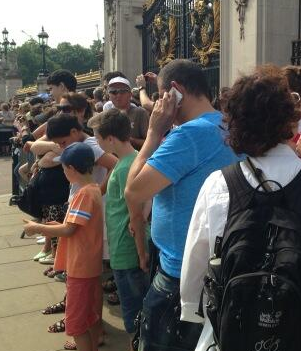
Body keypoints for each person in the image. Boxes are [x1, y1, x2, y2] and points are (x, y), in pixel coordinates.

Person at [181, 65, 301, 351]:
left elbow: (195, 273)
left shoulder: (217, 185)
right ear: (291, 122)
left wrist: (194, 308)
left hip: (237, 330)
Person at [124, 59, 240, 351]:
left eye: (163, 95)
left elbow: (134, 191)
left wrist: (153, 133)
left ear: (175, 91)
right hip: (220, 265)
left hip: (179, 275)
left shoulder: (188, 134)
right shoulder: (229, 125)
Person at [23, 142, 104, 351]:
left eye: (63, 167)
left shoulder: (83, 194)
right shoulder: (93, 189)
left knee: (76, 324)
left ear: (71, 169)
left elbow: (69, 230)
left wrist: (38, 227)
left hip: (81, 267)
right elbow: (75, 227)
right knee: (90, 315)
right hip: (90, 265)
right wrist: (55, 226)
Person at [88, 109, 149, 348]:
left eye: (99, 138)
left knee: (133, 310)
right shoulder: (129, 162)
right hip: (124, 244)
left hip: (126, 248)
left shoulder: (125, 168)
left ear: (110, 138)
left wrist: (141, 253)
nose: (98, 143)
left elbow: (136, 213)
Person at [106, 75, 149, 150]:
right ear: (109, 96)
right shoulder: (106, 115)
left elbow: (150, 142)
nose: (118, 95)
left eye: (122, 91)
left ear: (130, 94)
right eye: (114, 92)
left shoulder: (140, 113)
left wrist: (130, 140)